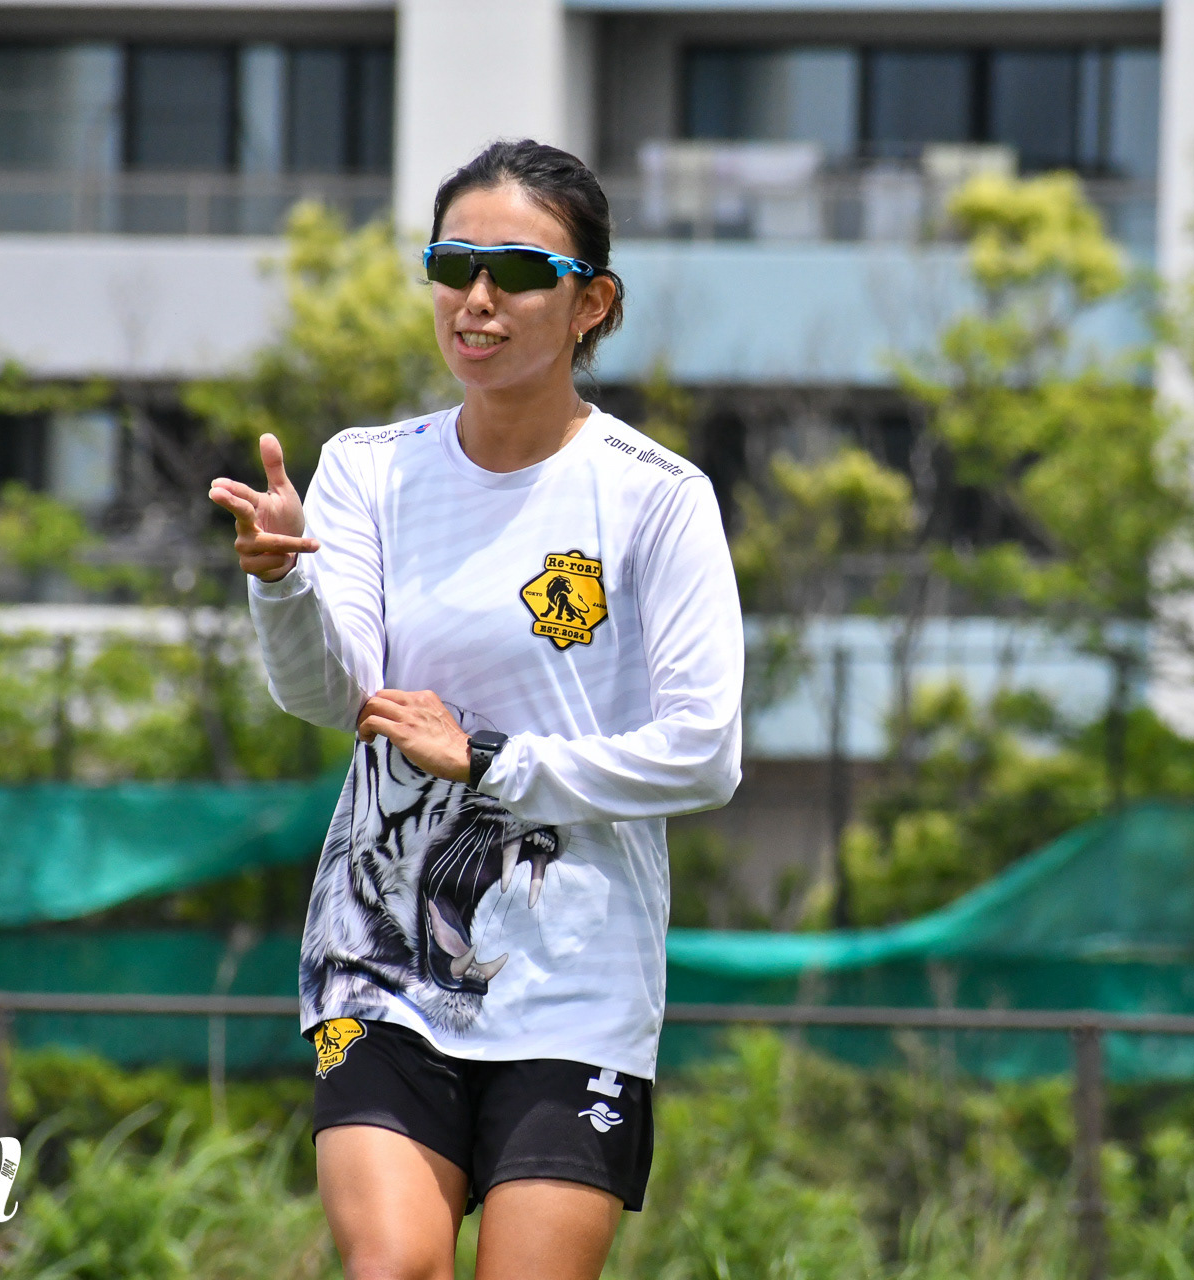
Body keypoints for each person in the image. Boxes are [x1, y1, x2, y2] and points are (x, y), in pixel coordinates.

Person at [207, 139, 743, 1280]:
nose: (478, 297)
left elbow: (705, 753)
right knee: (394, 1265)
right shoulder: (369, 470)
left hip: (576, 976)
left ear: (592, 302)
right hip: (382, 953)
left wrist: (491, 760)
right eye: (454, 265)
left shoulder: (657, 497)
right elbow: (332, 694)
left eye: (519, 270)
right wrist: (282, 581)